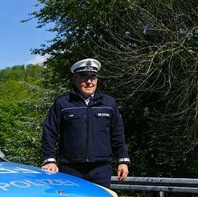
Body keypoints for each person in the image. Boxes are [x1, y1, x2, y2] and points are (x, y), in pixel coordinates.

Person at [40, 58, 130, 188]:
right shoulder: (62, 103)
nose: (89, 82)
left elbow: (117, 134)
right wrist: (49, 160)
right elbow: (49, 132)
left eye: (92, 77)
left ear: (96, 79)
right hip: (70, 169)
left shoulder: (109, 103)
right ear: (75, 79)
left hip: (101, 169)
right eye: (83, 77)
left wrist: (123, 161)